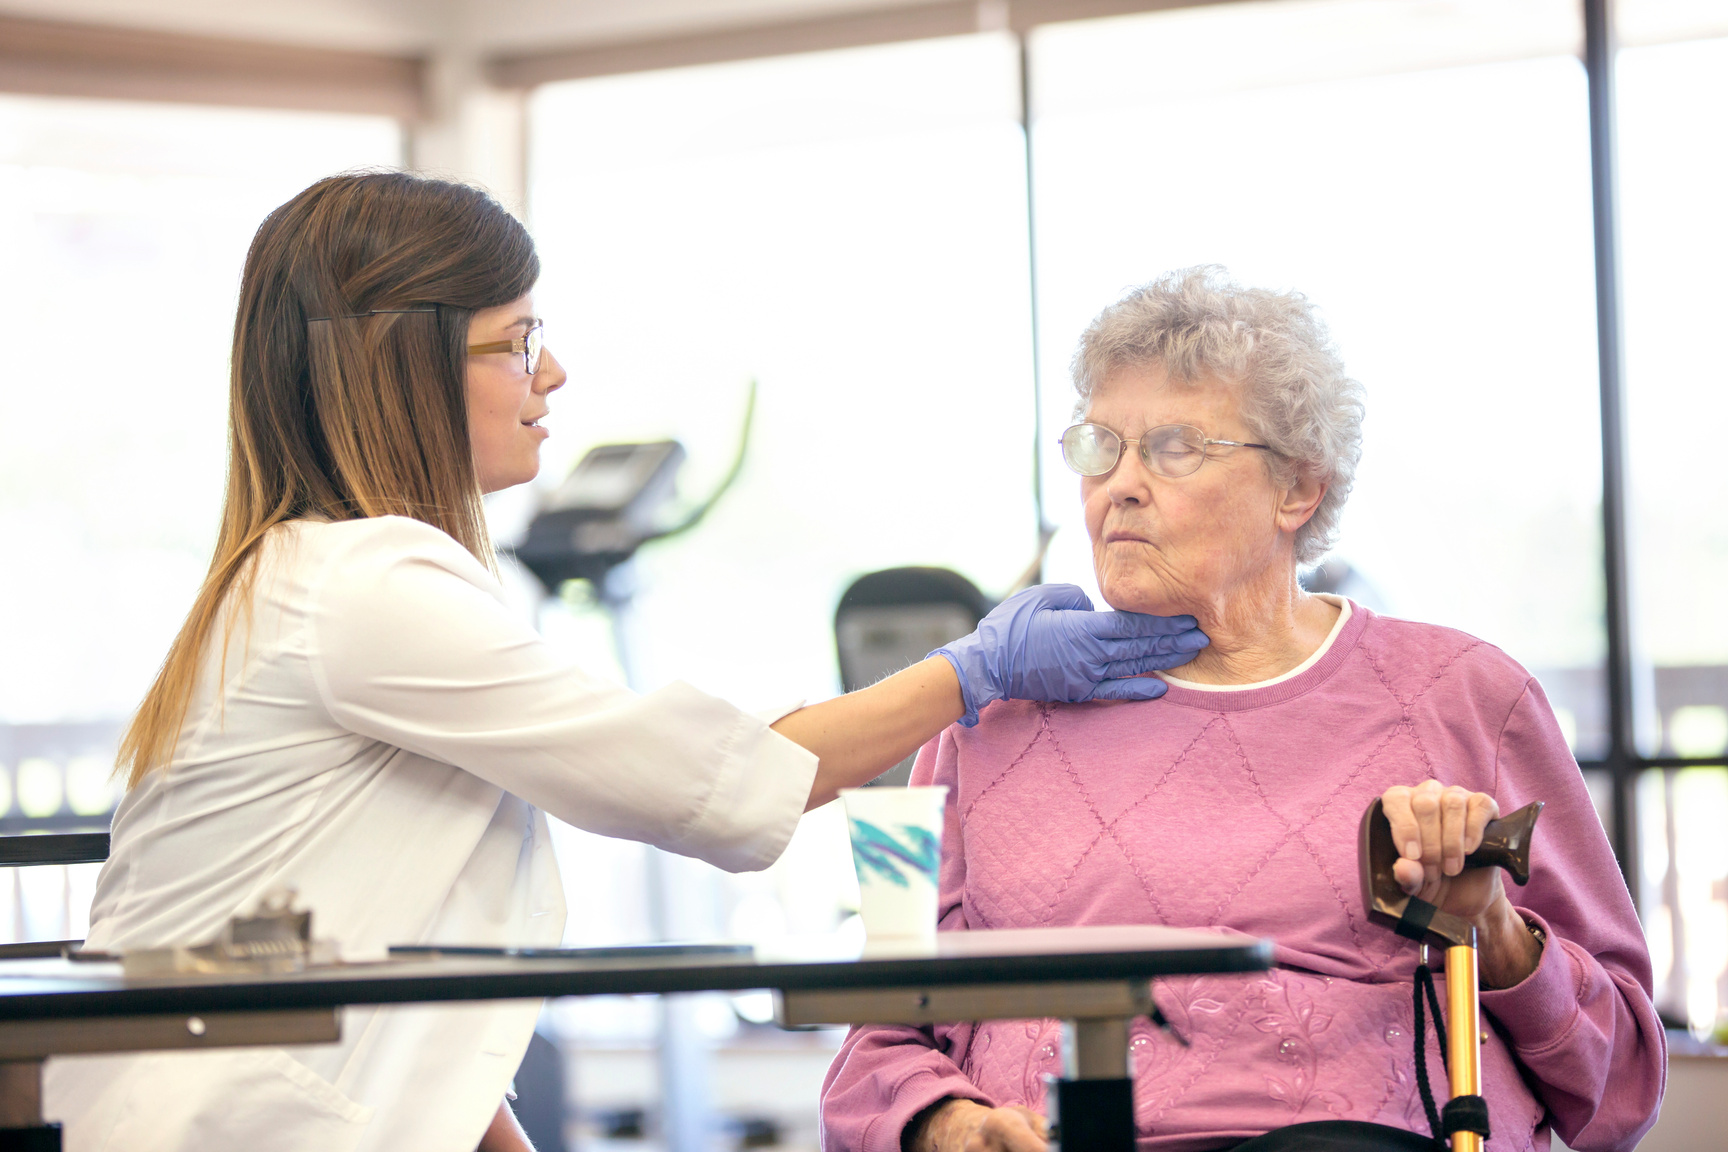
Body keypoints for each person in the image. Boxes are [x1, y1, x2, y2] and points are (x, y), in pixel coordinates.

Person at [41, 173, 1209, 1152]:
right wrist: (970, 671)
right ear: (405, 367)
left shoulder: (305, 575)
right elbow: (689, 781)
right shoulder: (365, 587)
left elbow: (384, 960)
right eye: (520, 341)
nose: (551, 378)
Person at [819, 267, 1664, 1152]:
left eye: (1175, 448)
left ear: (1298, 489)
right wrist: (949, 1127)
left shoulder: (1467, 695)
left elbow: (1624, 1087)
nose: (1119, 486)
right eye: (1100, 445)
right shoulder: (978, 721)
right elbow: (872, 1045)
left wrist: (1490, 928)